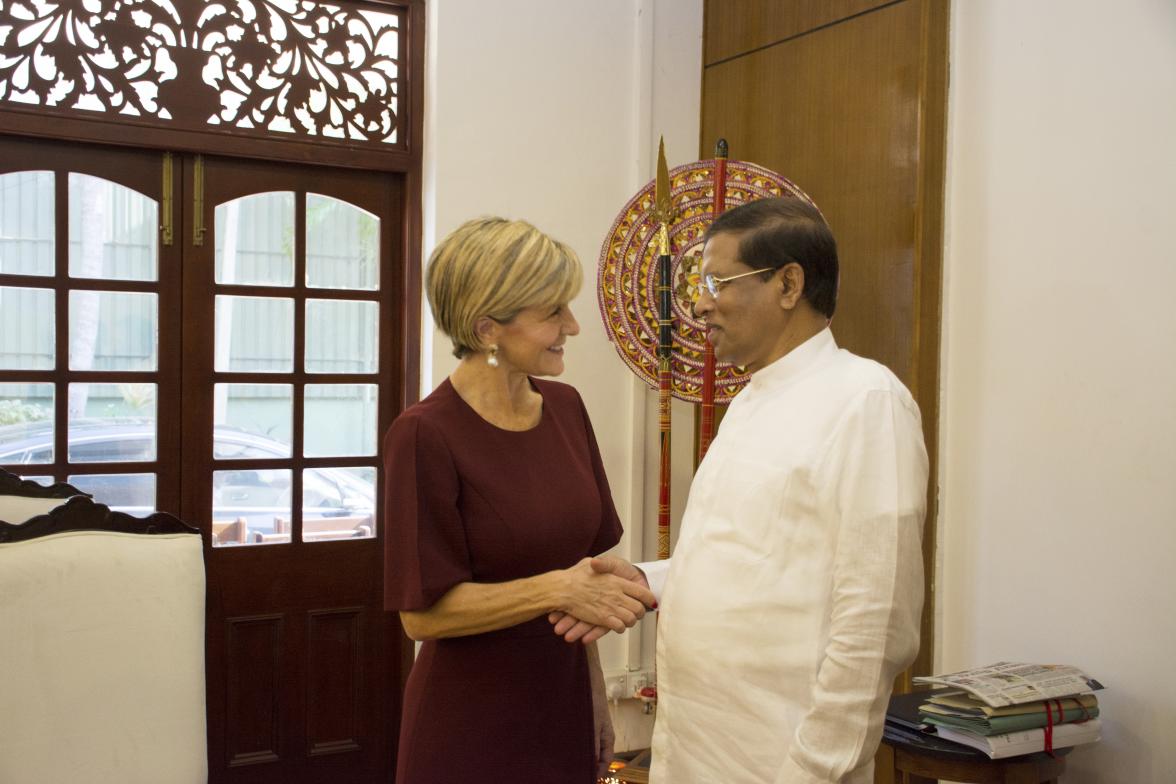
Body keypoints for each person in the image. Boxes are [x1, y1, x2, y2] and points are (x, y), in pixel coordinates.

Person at [551, 198, 928, 783]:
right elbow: (752, 560)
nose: (700, 304)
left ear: (788, 284)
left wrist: (814, 769)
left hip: (779, 758)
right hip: (696, 747)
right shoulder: (750, 400)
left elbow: (876, 623)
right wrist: (647, 581)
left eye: (717, 282)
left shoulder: (866, 402)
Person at [384, 217, 656, 783]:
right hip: (469, 726)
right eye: (553, 311)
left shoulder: (566, 407)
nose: (572, 326)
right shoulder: (424, 434)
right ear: (487, 327)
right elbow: (420, 615)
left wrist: (598, 700)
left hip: (562, 706)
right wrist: (556, 587)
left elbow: (585, 576)